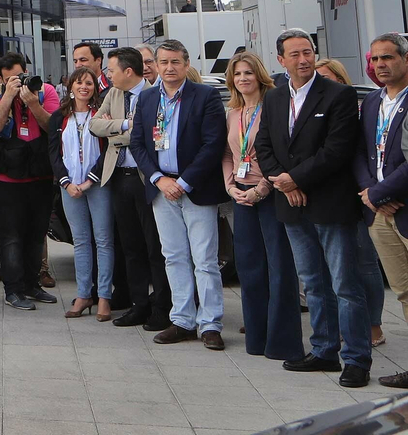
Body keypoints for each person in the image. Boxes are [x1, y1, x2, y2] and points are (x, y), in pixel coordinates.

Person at [257, 29, 370, 386]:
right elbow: (264, 146)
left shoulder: (338, 94)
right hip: (291, 204)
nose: (303, 59)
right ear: (280, 60)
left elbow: (337, 151)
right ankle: (323, 350)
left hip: (329, 203)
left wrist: (296, 180)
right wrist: (282, 182)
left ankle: (356, 359)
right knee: (313, 283)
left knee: (345, 285)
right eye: (295, 54)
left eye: (308, 52)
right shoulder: (274, 98)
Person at [130, 39, 228, 350]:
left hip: (194, 189)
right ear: (155, 66)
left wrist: (183, 182)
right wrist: (159, 179)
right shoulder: (146, 100)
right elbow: (138, 144)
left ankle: (210, 324)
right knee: (173, 257)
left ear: (186, 65)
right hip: (161, 190)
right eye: (164, 62)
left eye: (176, 62)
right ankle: (183, 320)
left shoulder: (206, 96)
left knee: (205, 259)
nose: (170, 68)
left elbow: (213, 144)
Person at [223, 51, 303, 362]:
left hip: (271, 195)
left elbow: (282, 154)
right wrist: (230, 186)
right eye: (238, 74)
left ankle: (282, 343)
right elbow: (229, 155)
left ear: (259, 75)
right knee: (250, 268)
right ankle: (256, 338)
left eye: (248, 73)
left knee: (280, 268)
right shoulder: (233, 113)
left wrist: (262, 188)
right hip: (241, 196)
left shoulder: (274, 107)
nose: (243, 79)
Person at [93, 46, 173, 330]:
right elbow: (94, 125)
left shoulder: (154, 95)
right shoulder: (113, 94)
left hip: (146, 178)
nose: (108, 75)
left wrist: (118, 133)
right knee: (130, 246)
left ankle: (162, 306)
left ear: (128, 71)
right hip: (119, 177)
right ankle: (138, 304)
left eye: (111, 69)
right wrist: (125, 125)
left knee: (155, 246)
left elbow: (150, 137)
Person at [0, 52, 60, 310]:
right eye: (8, 79)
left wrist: (33, 103)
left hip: (39, 173)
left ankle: (32, 284)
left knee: (36, 234)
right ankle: (13, 289)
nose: (15, 82)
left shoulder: (45, 90)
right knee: (11, 236)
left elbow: (54, 127)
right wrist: (8, 95)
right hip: (7, 177)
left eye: (18, 76)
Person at [320, 57, 388, 347]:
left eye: (328, 78)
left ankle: (374, 325)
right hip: (333, 196)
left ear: (341, 79)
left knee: (365, 262)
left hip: (363, 194)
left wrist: (372, 190)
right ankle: (344, 324)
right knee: (336, 267)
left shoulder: (359, 107)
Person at [360, 33, 408, 388]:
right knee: (405, 292)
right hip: (381, 215)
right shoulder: (373, 102)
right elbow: (360, 153)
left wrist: (380, 192)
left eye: (388, 58)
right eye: (375, 60)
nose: (380, 65)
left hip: (402, 206)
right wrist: (371, 194)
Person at [49, 67, 113, 321]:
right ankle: (83, 294)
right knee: (81, 241)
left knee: (104, 240)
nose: (84, 87)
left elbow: (109, 150)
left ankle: (105, 297)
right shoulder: (59, 117)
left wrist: (90, 181)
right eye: (79, 82)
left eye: (89, 83)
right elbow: (54, 153)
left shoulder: (101, 115)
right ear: (70, 86)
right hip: (70, 187)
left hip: (97, 185)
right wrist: (66, 182)